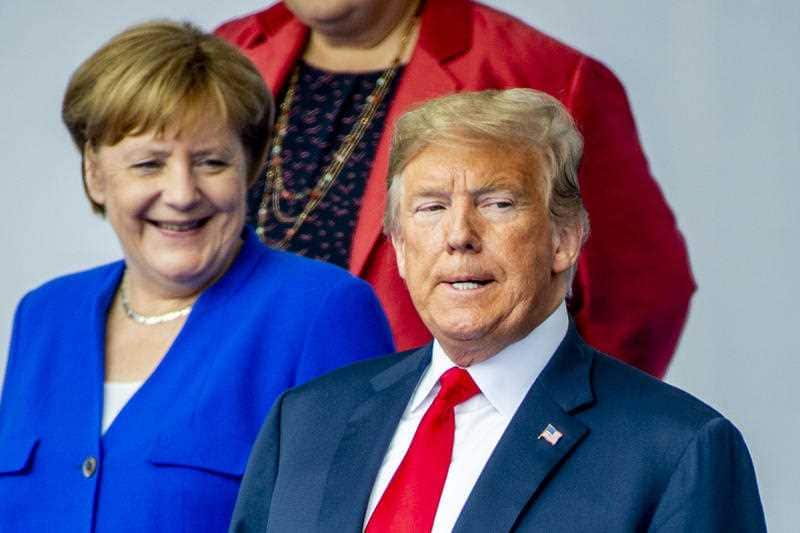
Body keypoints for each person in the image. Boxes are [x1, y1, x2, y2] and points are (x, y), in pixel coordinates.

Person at [229, 89, 765, 532]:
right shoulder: (303, 421)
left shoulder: (678, 450)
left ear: (565, 239)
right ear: (398, 245)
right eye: (432, 207)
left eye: (498, 204)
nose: (459, 235)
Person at [0, 21, 394, 532]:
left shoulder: (323, 310)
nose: (183, 193)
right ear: (95, 176)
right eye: (149, 164)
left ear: (249, 169)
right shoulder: (45, 314)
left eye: (211, 162)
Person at [215, 0, 696, 378]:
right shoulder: (226, 53)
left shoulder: (543, 74)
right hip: (226, 432)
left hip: (436, 443)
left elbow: (643, 300)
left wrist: (562, 435)